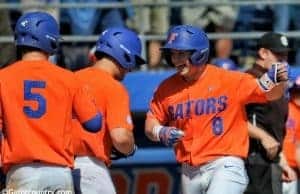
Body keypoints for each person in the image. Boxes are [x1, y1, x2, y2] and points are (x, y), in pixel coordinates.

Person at [144, 25, 288, 194]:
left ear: (199, 53)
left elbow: (269, 94)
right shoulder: (165, 88)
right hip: (189, 170)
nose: (176, 60)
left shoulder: (229, 79)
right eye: (172, 54)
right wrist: (160, 131)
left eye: (181, 54)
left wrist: (277, 80)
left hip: (225, 164)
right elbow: (150, 123)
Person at [0, 11, 102, 192]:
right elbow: (94, 123)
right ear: (51, 40)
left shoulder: (2, 77)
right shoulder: (68, 78)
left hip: (21, 172)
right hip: (59, 173)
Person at [72, 27, 146, 194]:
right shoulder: (114, 87)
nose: (131, 68)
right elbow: (120, 138)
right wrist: (130, 148)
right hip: (90, 169)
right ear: (125, 54)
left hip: (59, 167)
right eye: (133, 61)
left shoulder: (70, 78)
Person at [244, 32, 292, 194]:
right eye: (279, 56)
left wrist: (282, 158)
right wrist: (263, 136)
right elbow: (231, 119)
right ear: (263, 53)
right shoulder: (248, 79)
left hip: (271, 159)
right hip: (252, 157)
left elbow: (275, 123)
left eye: (286, 56)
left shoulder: (278, 83)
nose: (283, 61)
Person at [281, 67, 300, 194]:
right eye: (297, 92)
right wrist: (283, 166)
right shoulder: (284, 108)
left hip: (293, 172)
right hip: (277, 169)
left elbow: (298, 146)